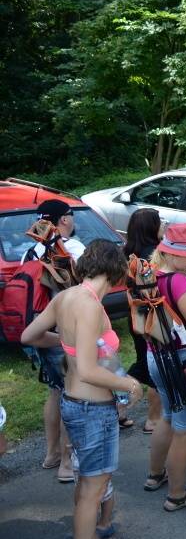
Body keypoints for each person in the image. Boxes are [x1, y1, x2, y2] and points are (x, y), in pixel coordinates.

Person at [21, 240, 143, 539]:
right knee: (93, 488)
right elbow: (89, 371)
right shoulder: (89, 306)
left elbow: (29, 335)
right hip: (93, 410)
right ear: (116, 270)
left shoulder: (67, 297)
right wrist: (129, 383)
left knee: (87, 483)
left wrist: (66, 343)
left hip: (73, 403)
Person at [145, 223, 186, 511]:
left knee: (168, 416)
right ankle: (177, 494)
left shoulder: (150, 276)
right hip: (181, 362)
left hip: (155, 356)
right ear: (172, 255)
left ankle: (155, 475)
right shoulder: (179, 283)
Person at [24, 199, 84, 481]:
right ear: (63, 220)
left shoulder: (31, 250)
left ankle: (51, 455)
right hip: (64, 332)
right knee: (72, 393)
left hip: (38, 330)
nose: (72, 220)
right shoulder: (70, 249)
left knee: (55, 391)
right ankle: (67, 465)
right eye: (70, 215)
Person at [123, 208, 164, 434]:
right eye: (160, 222)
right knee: (157, 365)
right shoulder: (154, 255)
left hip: (134, 313)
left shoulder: (127, 252)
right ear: (152, 227)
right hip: (153, 315)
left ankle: (117, 406)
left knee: (142, 361)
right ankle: (153, 420)